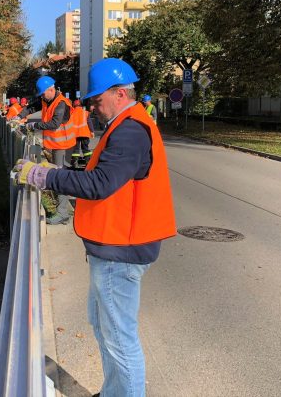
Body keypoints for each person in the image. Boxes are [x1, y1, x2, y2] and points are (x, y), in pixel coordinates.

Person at [15, 58, 176, 396]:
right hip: (115, 245)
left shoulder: (131, 130)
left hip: (122, 250)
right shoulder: (124, 125)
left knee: (119, 339)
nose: (93, 107)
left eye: (97, 99)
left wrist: (42, 175)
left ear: (119, 93)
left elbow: (99, 184)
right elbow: (97, 179)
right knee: (105, 329)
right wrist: (50, 171)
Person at [16, 75, 76, 225]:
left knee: (59, 177)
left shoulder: (61, 103)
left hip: (64, 146)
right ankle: (64, 210)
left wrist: (33, 126)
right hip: (56, 145)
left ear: (51, 89)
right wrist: (19, 116)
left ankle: (62, 213)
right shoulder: (46, 99)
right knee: (59, 176)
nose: (42, 96)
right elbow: (32, 107)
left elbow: (54, 124)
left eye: (43, 93)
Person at [70, 98, 94, 168]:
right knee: (85, 148)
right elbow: (89, 122)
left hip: (75, 134)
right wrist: (92, 131)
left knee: (76, 149)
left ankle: (75, 163)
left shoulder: (72, 113)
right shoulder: (85, 112)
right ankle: (88, 162)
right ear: (81, 105)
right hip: (85, 133)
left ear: (74, 106)